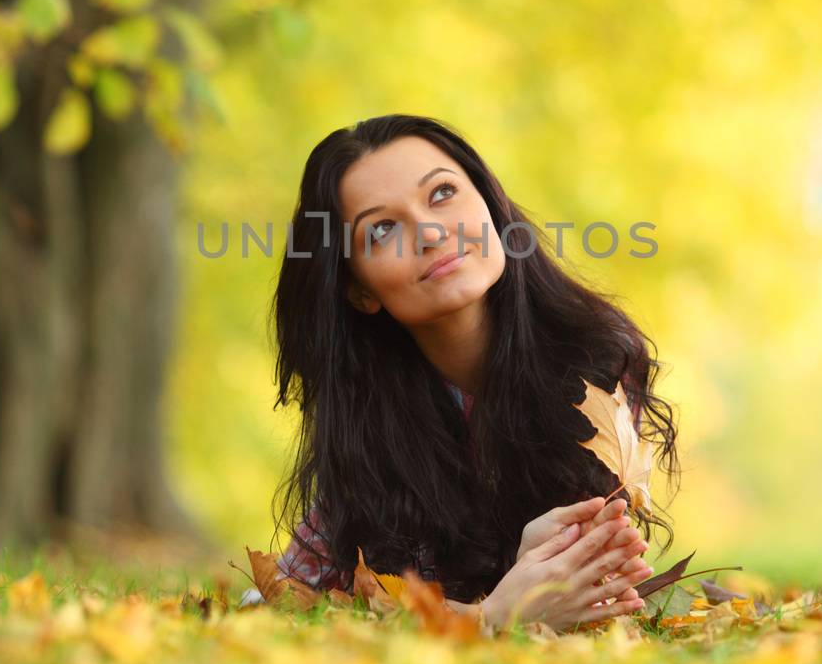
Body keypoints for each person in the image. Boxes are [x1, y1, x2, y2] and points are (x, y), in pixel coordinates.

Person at [250, 113, 680, 634]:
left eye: (442, 193)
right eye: (382, 229)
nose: (430, 233)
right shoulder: (367, 419)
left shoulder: (594, 360)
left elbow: (589, 584)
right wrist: (491, 616)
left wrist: (515, 587)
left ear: (491, 206)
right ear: (359, 290)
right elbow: (292, 603)